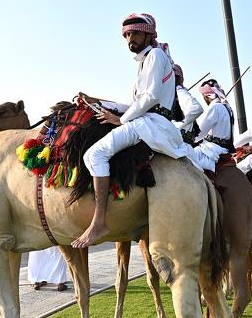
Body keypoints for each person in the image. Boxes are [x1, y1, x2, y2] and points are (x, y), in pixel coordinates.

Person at [74, 13, 194, 248]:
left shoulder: (156, 55)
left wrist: (121, 120)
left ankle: (99, 222)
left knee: (94, 155)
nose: (130, 38)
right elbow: (136, 103)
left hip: (149, 124)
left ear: (149, 34)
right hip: (148, 121)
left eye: (135, 33)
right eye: (127, 35)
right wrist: (98, 101)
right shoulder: (147, 60)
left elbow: (148, 98)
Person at [190, 79, 234, 172]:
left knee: (186, 158)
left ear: (206, 96)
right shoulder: (227, 107)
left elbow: (199, 133)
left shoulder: (215, 107)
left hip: (211, 151)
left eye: (203, 96)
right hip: (224, 150)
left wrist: (189, 138)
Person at [172, 64, 203, 142]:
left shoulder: (180, 92)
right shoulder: (170, 95)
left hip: (179, 143)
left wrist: (178, 126)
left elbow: (196, 109)